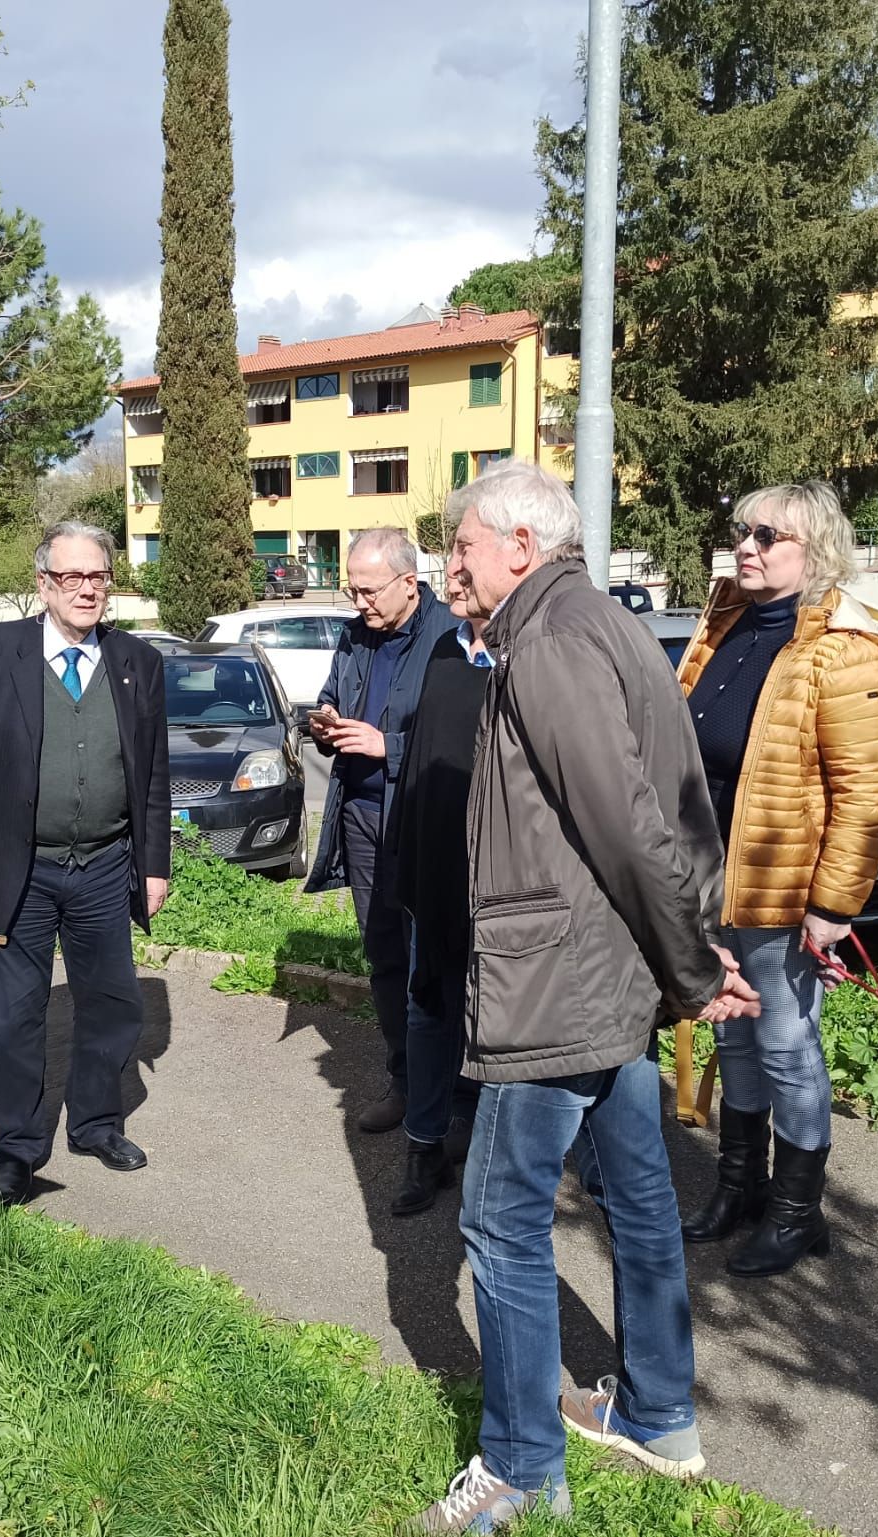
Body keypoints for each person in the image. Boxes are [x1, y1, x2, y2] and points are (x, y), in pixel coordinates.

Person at [410, 461, 760, 1533]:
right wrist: (688, 951)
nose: (448, 562)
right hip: (609, 979)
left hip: (555, 988)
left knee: (497, 1219)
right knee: (638, 1198)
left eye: (460, 543)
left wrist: (694, 970)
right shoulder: (599, 623)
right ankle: (657, 1417)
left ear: (519, 542)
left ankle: (520, 1470)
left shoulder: (552, 639)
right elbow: (678, 812)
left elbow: (623, 820)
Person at [676, 481, 878, 1277]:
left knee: (784, 1046)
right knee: (733, 1037)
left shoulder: (843, 650)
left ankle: (798, 1212)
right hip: (710, 883)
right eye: (743, 529)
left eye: (767, 534)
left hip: (783, 891)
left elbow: (867, 795)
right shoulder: (723, 625)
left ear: (818, 550)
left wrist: (834, 906)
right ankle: (739, 1186)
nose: (747, 544)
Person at [0, 520, 171, 1207]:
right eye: (72, 577)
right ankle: (17, 1147)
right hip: (17, 874)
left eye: (98, 576)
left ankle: (96, 1123)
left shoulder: (138, 663)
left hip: (104, 867)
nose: (87, 589)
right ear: (43, 584)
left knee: (111, 1004)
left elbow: (154, 775)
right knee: (15, 1017)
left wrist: (153, 864)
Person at [304, 525, 457, 1134]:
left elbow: (465, 737)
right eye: (352, 589)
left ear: (408, 583)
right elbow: (330, 696)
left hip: (422, 819)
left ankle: (451, 1095)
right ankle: (405, 1082)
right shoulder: (353, 636)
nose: (358, 603)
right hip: (363, 818)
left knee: (438, 962)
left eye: (368, 591)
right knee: (386, 957)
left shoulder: (451, 635)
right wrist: (324, 723)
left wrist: (386, 745)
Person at [384, 484, 491, 1216]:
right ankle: (424, 1150)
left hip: (498, 881)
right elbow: (420, 764)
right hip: (434, 872)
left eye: (462, 557)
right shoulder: (443, 653)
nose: (451, 573)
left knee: (492, 1018)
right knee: (430, 1012)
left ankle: (482, 1150)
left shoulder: (522, 660)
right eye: (448, 559)